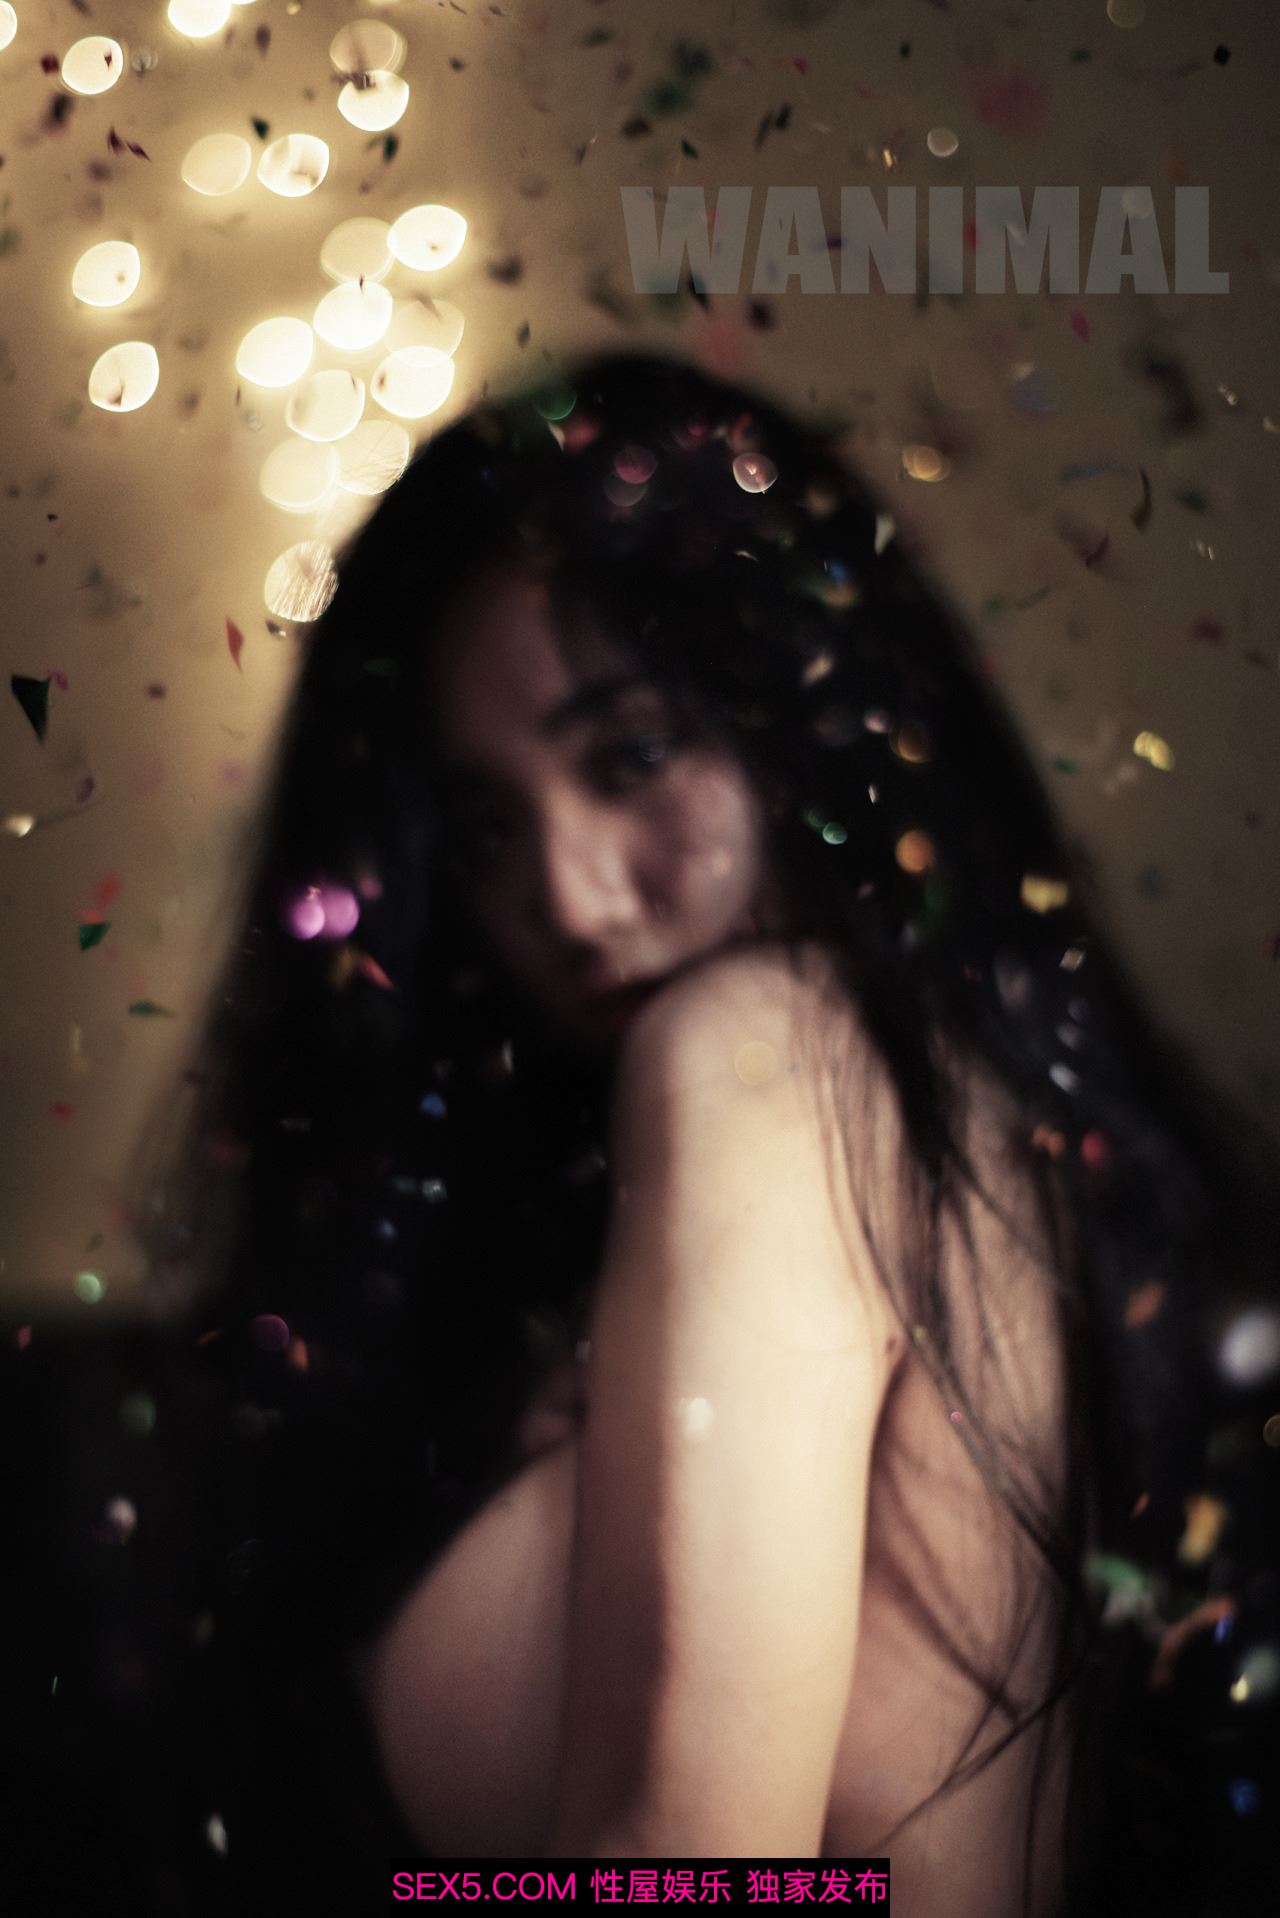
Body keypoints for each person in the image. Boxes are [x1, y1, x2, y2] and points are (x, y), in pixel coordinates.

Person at [131, 350, 1280, 1916]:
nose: (569, 895)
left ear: (806, 720)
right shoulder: (909, 1135)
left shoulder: (759, 1049)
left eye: (634, 755)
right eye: (485, 827)